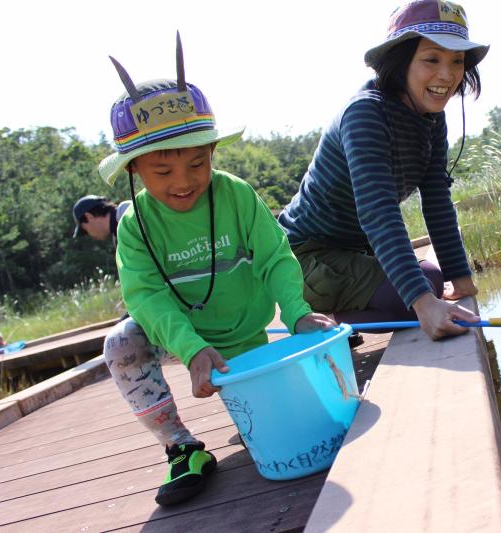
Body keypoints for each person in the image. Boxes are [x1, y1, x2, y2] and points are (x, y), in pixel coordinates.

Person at [98, 34, 334, 507]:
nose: (183, 181)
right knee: (121, 343)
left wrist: (297, 314)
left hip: (245, 333)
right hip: (181, 338)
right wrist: (190, 348)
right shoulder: (134, 226)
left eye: (197, 162)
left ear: (212, 153)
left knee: (279, 428)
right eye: (162, 172)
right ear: (135, 170)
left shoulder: (236, 195)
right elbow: (147, 297)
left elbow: (275, 258)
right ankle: (181, 447)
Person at [278, 0, 487, 341]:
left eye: (457, 61)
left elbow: (436, 199)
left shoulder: (432, 119)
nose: (446, 76)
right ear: (400, 61)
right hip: (305, 257)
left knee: (433, 277)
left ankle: (349, 317)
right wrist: (423, 303)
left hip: (356, 251)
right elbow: (378, 212)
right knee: (418, 292)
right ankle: (323, 324)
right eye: (431, 59)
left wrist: (461, 279)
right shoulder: (366, 114)